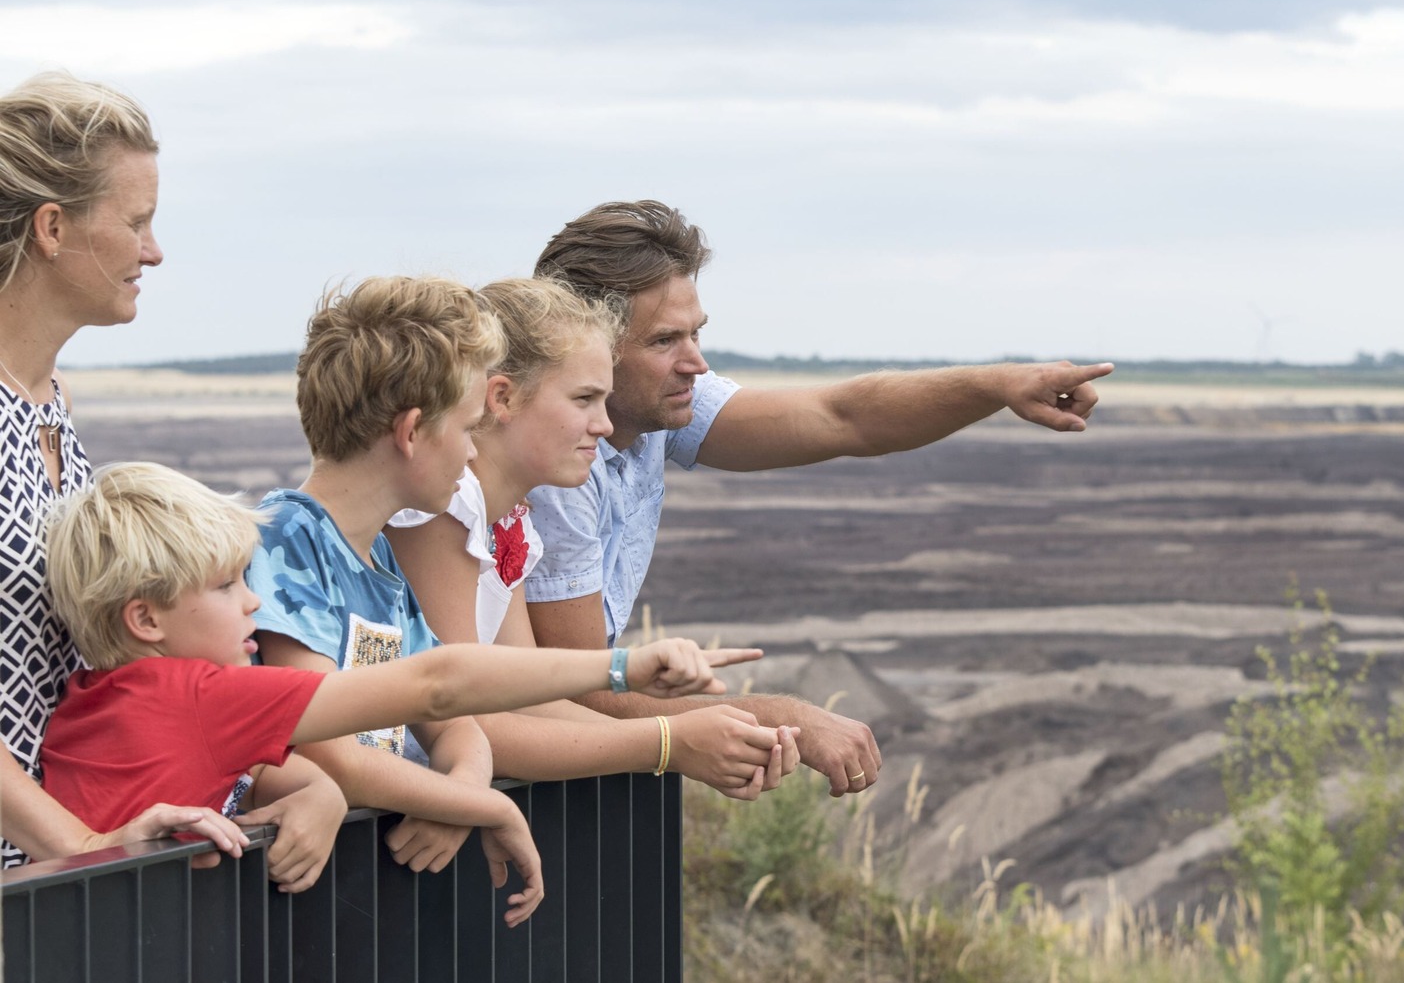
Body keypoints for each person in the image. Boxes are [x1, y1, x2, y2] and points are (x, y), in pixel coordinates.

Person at [524, 200, 1115, 797]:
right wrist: (783, 719)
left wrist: (999, 385)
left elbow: (843, 417)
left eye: (696, 333)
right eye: (664, 341)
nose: (695, 363)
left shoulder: (650, 409)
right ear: (589, 345)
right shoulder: (554, 466)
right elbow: (576, 693)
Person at [37, 461, 755, 923]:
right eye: (226, 587)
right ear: (146, 620)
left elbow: (251, 771)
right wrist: (617, 671)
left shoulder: (90, 701)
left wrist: (320, 792)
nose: (253, 601)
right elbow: (436, 684)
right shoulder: (200, 693)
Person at [0, 71, 343, 875]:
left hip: (48, 874)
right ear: (52, 227)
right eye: (136, 222)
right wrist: (85, 849)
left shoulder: (49, 401)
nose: (153, 251)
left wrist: (305, 784)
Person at [385, 277, 799, 797]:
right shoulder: (447, 508)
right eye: (584, 399)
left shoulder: (509, 517)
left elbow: (522, 696)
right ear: (502, 397)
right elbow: (459, 712)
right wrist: (669, 744)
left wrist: (696, 741)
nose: (603, 426)